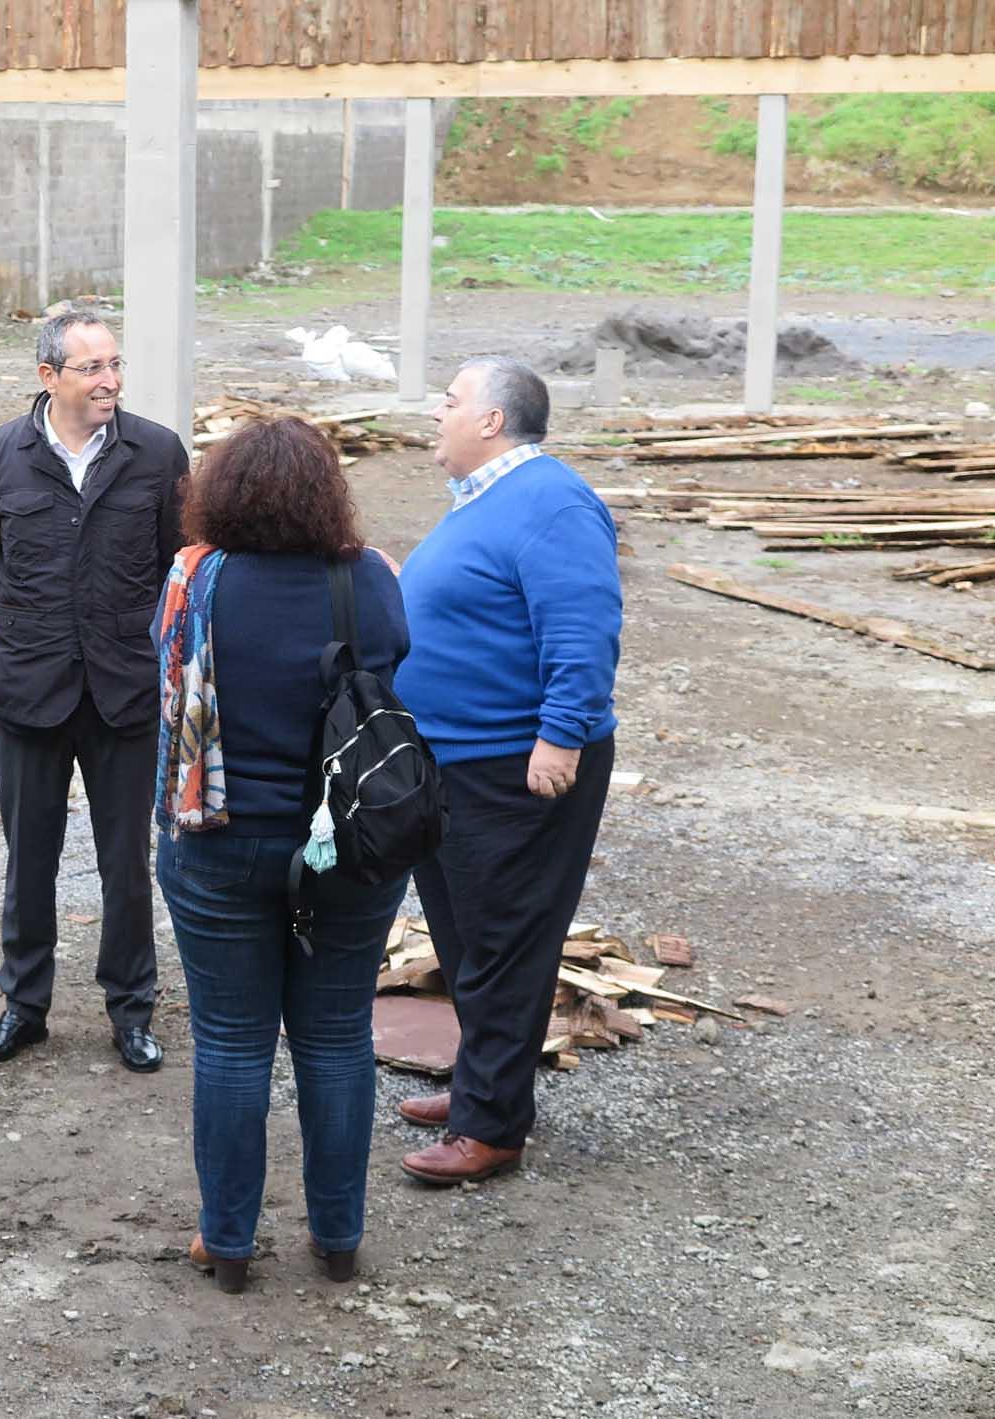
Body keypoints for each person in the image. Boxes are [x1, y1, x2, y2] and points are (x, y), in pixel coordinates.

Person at [151, 416, 411, 1293]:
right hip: (347, 841)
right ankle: (337, 1237)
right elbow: (392, 667)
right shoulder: (368, 578)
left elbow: (163, 669)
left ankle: (227, 1242)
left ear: (220, 493)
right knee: (336, 1036)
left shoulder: (199, 577)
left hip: (219, 839)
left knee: (230, 1041)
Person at [392, 355, 622, 1187]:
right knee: (464, 939)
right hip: (456, 760)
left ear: (491, 421)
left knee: (504, 942)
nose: (437, 413)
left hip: (514, 768)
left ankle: (491, 1129)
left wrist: (559, 738)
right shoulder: (486, 500)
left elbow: (584, 628)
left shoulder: (552, 501)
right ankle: (477, 1092)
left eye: (450, 401)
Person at [0, 311, 186, 1072]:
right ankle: (25, 1005)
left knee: (127, 863)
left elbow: (173, 566)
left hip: (124, 696)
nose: (110, 381)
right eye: (91, 368)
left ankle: (132, 1009)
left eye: (115, 364)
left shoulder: (157, 453)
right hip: (29, 691)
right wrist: (40, 632)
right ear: (48, 377)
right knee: (30, 860)